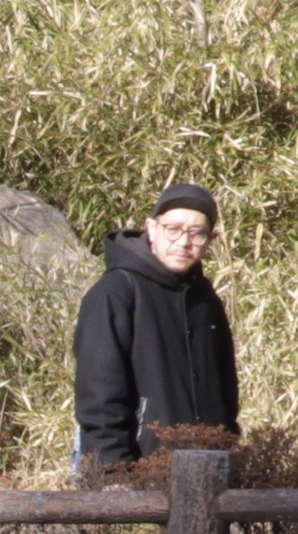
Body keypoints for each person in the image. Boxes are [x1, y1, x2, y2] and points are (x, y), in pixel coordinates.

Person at [72, 183, 236, 477]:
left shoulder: (205, 299)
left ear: (211, 240)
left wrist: (226, 451)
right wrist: (113, 472)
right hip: (134, 468)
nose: (183, 242)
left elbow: (225, 390)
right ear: (151, 227)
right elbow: (99, 395)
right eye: (173, 228)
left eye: (196, 233)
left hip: (205, 472)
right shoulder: (117, 291)